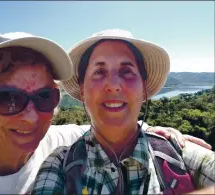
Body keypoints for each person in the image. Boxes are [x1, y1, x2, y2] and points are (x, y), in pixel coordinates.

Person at [0, 32, 211, 194]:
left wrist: (159, 134)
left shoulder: (59, 139)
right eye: (7, 99)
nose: (31, 117)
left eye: (45, 97)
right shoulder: (59, 164)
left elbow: (111, 126)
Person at [31, 29, 215, 195]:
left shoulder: (176, 154)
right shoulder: (60, 165)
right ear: (82, 90)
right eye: (99, 72)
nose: (113, 85)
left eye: (127, 71)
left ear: (143, 88)